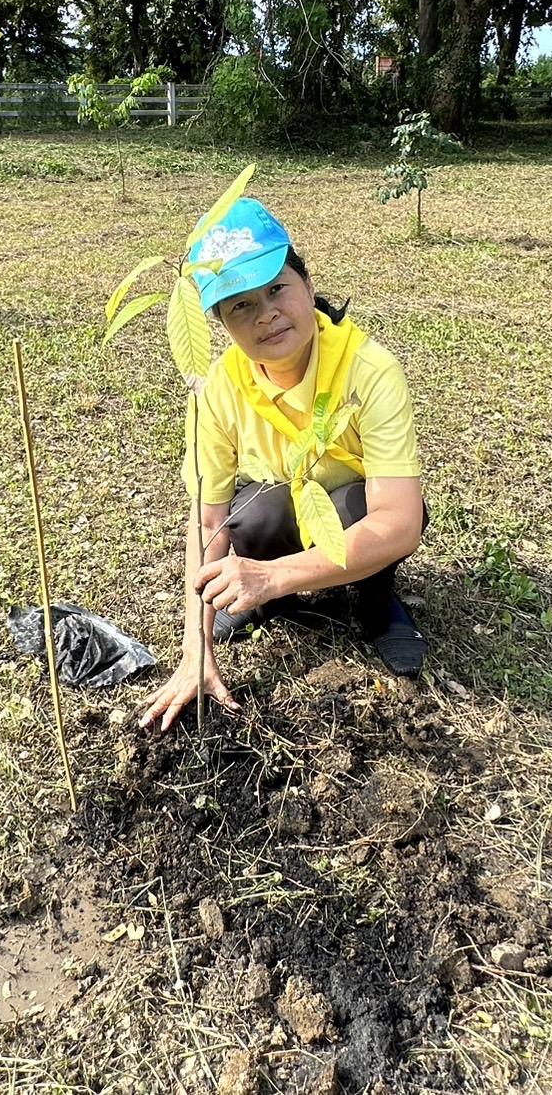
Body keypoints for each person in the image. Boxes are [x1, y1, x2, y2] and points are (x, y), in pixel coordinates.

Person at [140, 196, 426, 733]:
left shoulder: (369, 369)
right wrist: (194, 648)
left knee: (356, 507)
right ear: (221, 323)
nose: (267, 313)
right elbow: (207, 522)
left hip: (348, 514)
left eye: (276, 288)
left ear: (307, 282)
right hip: (277, 511)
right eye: (240, 305)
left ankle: (372, 598)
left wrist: (272, 576)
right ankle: (265, 599)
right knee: (249, 516)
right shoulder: (216, 388)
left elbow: (401, 521)